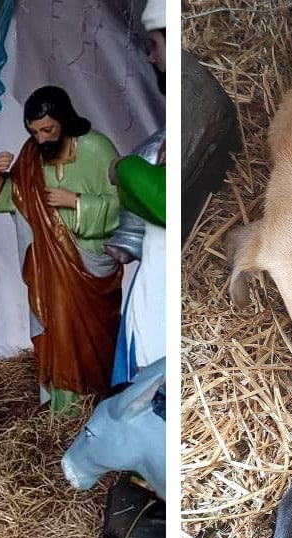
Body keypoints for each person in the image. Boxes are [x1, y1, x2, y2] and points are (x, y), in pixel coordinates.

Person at [0, 86, 122, 412]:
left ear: (64, 120)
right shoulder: (32, 156)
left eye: (47, 130)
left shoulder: (97, 148)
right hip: (50, 269)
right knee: (56, 322)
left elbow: (124, 204)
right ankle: (64, 408)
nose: (41, 139)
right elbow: (6, 199)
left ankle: (94, 403)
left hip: (89, 265)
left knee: (93, 340)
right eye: (34, 132)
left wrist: (76, 202)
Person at [106, 0, 168, 385]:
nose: (151, 57)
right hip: (153, 275)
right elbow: (137, 222)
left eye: (156, 45)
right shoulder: (154, 145)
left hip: (162, 284)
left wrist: (123, 170)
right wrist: (121, 244)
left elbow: (158, 197)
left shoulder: (150, 153)